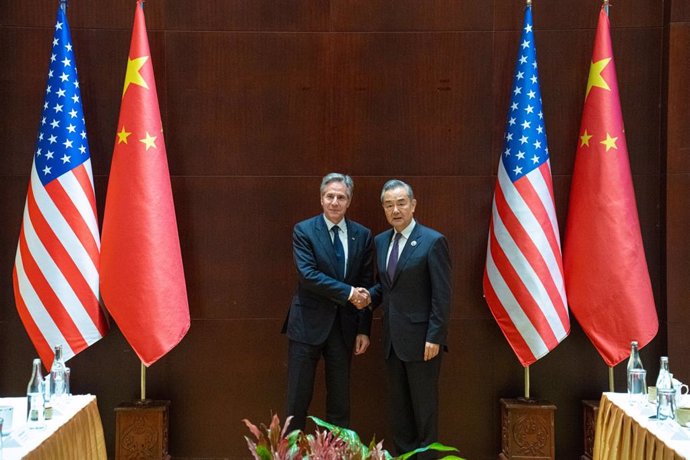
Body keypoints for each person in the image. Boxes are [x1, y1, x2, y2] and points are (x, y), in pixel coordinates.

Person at [365, 179, 452, 458]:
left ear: (413, 205)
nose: (396, 210)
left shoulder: (432, 241)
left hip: (423, 343)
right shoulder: (379, 241)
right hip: (392, 341)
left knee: (424, 413)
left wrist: (435, 336)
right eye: (389, 205)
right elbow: (386, 287)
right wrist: (366, 296)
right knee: (400, 413)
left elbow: (442, 295)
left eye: (401, 203)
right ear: (384, 209)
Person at [282, 172, 374, 433]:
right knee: (296, 401)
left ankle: (338, 453)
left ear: (349, 201)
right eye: (330, 196)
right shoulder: (304, 230)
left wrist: (363, 329)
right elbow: (308, 275)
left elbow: (366, 283)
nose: (335, 202)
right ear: (321, 199)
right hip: (306, 326)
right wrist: (348, 292)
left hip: (343, 329)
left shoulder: (363, 235)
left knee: (339, 403)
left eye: (341, 197)